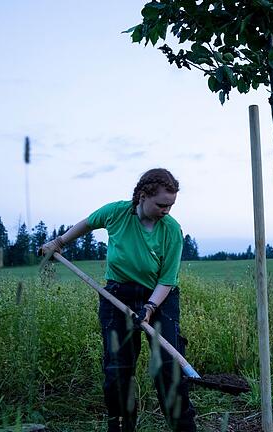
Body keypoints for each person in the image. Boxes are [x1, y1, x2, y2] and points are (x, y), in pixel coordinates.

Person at [40, 168, 196, 432]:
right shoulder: (116, 213)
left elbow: (167, 280)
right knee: (118, 371)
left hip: (160, 299)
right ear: (142, 196)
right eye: (161, 204)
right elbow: (88, 223)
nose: (166, 210)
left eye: (171, 205)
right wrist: (59, 242)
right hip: (117, 295)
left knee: (168, 369)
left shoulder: (171, 229)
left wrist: (149, 308)